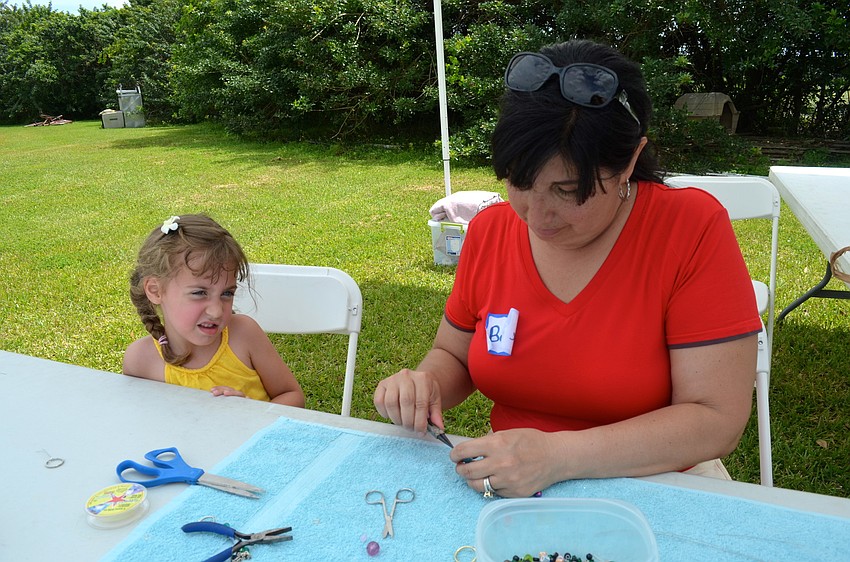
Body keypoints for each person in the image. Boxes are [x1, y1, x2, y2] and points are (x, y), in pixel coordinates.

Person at [373, 40, 762, 497]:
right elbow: (456, 356)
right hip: (513, 477)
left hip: (659, 482)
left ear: (630, 162)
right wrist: (424, 385)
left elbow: (715, 420)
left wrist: (559, 457)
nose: (536, 217)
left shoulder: (688, 228)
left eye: (567, 190)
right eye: (519, 182)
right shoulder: (491, 231)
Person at [123, 214, 305, 407]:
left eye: (227, 293)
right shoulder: (140, 361)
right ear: (155, 290)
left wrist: (252, 412)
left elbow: (293, 396)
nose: (217, 311)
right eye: (200, 292)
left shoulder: (243, 335)